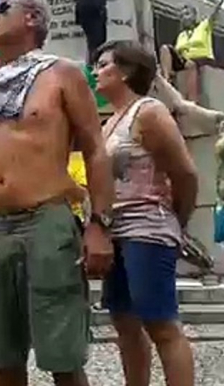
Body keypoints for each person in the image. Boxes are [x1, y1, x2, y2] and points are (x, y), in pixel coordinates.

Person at [0, 1, 115, 385]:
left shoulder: (61, 73)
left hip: (46, 220)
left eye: (3, 7)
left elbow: (96, 150)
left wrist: (99, 225)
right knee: (3, 358)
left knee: (62, 356)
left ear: (32, 18)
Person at [93, 40, 198, 386]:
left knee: (161, 323)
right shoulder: (109, 123)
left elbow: (185, 173)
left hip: (148, 227)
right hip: (115, 231)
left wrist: (176, 220)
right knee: (124, 322)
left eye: (103, 64)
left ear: (126, 72)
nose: (95, 70)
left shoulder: (149, 112)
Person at [159, 1, 224, 102]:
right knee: (165, 49)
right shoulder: (181, 35)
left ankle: (192, 99)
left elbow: (214, 12)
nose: (184, 18)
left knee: (190, 64)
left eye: (187, 14)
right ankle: (167, 81)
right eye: (182, 16)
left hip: (203, 58)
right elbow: (177, 53)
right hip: (185, 60)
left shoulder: (203, 26)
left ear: (194, 16)